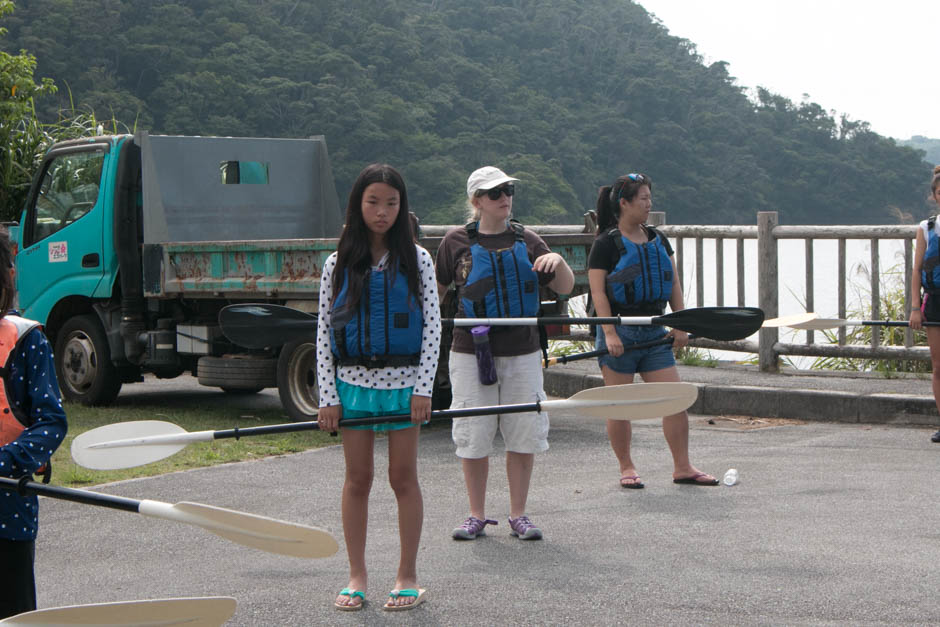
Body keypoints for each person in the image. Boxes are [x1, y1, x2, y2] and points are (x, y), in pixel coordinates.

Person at [316, 164, 440, 611]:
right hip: (352, 384)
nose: (382, 212)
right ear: (358, 205)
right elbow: (322, 334)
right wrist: (327, 396)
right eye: (373, 202)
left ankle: (407, 575)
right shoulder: (337, 263)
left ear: (402, 207)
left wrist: (423, 389)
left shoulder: (418, 260)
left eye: (391, 203)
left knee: (403, 478)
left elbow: (432, 330)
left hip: (405, 385)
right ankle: (357, 575)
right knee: (357, 480)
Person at [436, 166, 574, 541]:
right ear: (477, 201)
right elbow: (436, 293)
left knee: (523, 432)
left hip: (522, 351)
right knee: (473, 433)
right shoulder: (455, 242)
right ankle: (476, 514)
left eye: (508, 190)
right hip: (469, 351)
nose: (504, 198)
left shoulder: (529, 241)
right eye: (494, 193)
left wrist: (559, 263)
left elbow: (565, 287)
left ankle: (519, 515)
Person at [588, 172, 718, 488]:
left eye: (649, 198)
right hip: (621, 330)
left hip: (656, 331)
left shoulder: (658, 238)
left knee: (674, 399)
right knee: (619, 404)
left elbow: (672, 282)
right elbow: (599, 293)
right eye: (643, 199)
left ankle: (683, 467)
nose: (649, 204)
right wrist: (609, 333)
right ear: (624, 203)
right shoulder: (606, 243)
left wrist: (681, 323)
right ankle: (627, 467)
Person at [0, 228, 68, 619]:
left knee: (14, 615)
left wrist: (7, 460)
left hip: (7, 515)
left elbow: (51, 422)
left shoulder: (27, 341)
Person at [909, 165, 940, 443]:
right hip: (935, 301)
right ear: (935, 195)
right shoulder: (927, 228)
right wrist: (915, 308)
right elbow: (917, 269)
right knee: (938, 365)